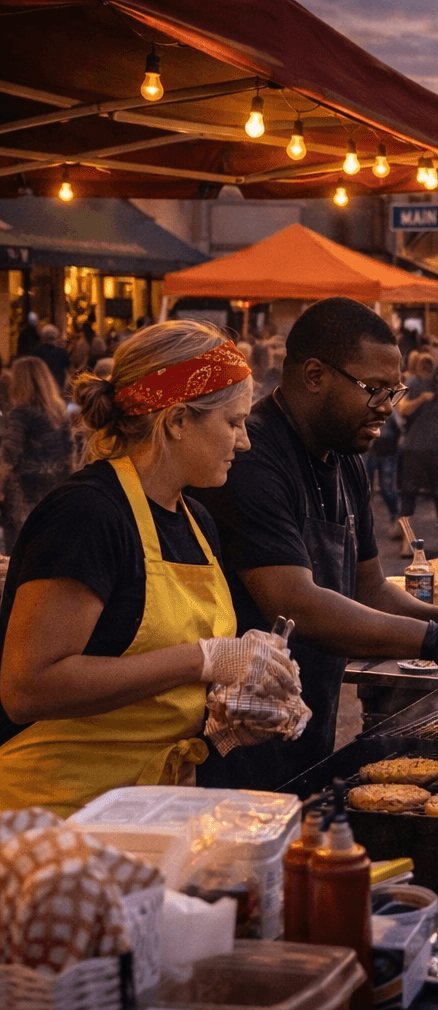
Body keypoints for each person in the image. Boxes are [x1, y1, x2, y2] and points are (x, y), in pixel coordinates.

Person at [194, 298, 438, 792]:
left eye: (393, 391)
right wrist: (436, 643)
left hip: (306, 720)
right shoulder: (251, 458)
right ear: (315, 374)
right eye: (373, 389)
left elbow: (370, 587)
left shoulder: (345, 457)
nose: (386, 407)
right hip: (234, 733)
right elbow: (296, 604)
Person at [0, 320, 297, 815]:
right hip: (52, 818)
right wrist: (203, 658)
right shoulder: (88, 514)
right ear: (178, 420)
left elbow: (150, 696)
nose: (244, 443)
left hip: (148, 806)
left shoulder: (197, 521)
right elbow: (28, 688)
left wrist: (227, 719)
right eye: (233, 422)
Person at [0, 356, 74, 554]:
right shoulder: (60, 412)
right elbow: (70, 451)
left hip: (24, 488)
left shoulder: (21, 414)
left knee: (18, 546)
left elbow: (9, 454)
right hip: (56, 485)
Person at [396, 353, 438, 541]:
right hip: (415, 446)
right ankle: (406, 539)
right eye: (424, 365)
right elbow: (402, 409)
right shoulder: (412, 382)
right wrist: (420, 400)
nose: (427, 368)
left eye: (430, 364)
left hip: (437, 445)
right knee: (409, 492)